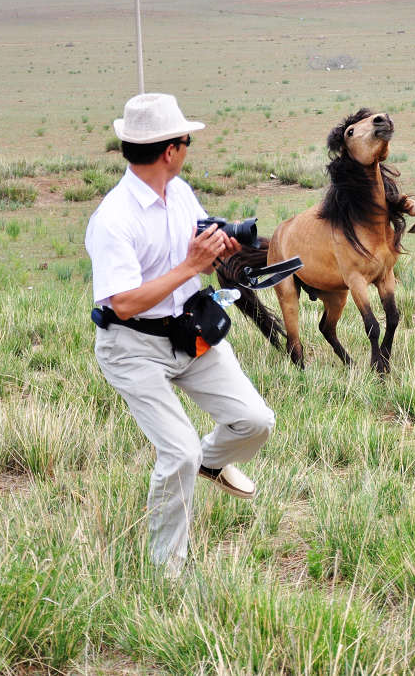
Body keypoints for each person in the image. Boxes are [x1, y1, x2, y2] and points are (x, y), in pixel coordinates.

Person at [85, 93, 275, 577]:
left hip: (189, 332)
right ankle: (166, 573)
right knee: (179, 451)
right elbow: (122, 301)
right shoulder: (113, 219)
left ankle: (210, 464)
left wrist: (219, 246)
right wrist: (189, 265)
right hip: (131, 347)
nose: (189, 148)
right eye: (186, 141)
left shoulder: (181, 191)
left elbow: (196, 243)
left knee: (255, 421)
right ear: (170, 150)